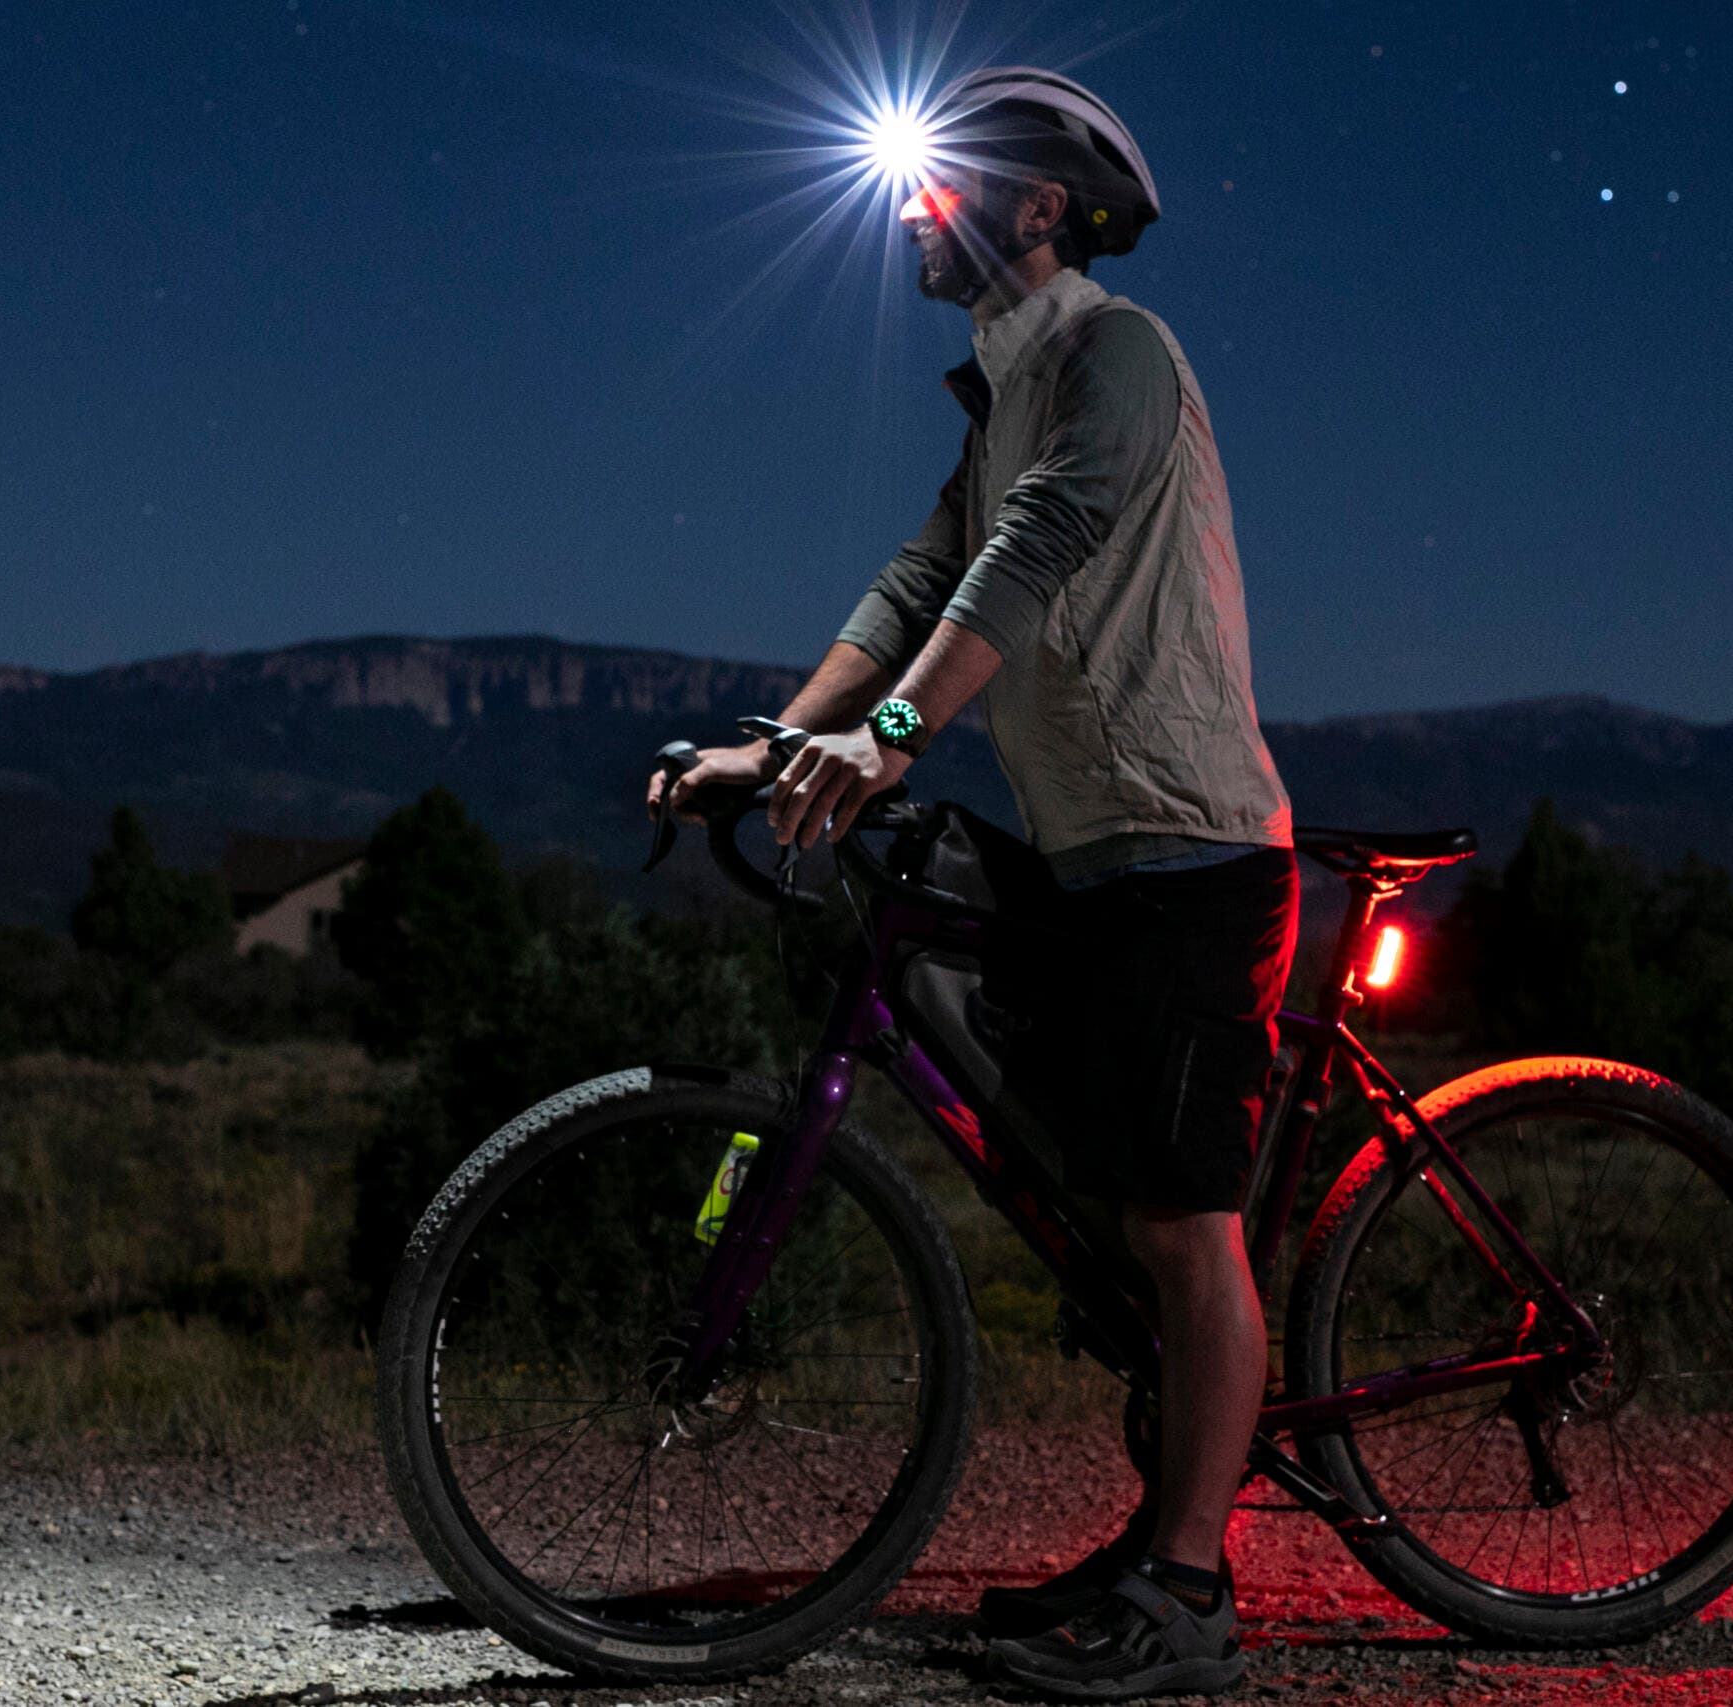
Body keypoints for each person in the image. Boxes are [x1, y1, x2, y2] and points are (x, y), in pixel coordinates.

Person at [649, 65, 1294, 1701]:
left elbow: (1044, 543)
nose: (916, 220)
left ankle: (1193, 1596)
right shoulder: (999, 390)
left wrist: (881, 738)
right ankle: (1170, 1527)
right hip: (1090, 850)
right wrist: (765, 744)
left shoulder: (1114, 354)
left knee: (1181, 1220)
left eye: (944, 191)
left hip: (1187, 839)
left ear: (1031, 206)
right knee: (1102, 1210)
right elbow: (919, 579)